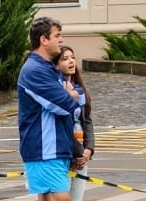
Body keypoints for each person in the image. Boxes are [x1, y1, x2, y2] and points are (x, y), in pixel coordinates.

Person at [18, 17, 82, 201]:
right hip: (45, 149)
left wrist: (71, 96)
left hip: (54, 148)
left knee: (48, 198)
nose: (61, 40)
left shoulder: (48, 69)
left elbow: (72, 99)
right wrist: (71, 97)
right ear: (43, 40)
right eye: (57, 36)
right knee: (60, 198)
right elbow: (64, 105)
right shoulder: (35, 70)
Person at [54, 46, 95, 201]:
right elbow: (62, 126)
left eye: (72, 57)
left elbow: (87, 121)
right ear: (56, 66)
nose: (71, 61)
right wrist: (78, 153)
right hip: (65, 156)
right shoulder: (56, 92)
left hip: (81, 157)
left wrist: (88, 149)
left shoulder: (80, 91)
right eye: (65, 59)